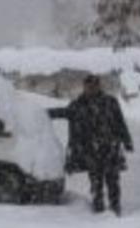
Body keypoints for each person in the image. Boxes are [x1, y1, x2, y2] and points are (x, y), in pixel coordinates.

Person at [49, 75, 133, 215]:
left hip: (110, 148)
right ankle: (98, 209)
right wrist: (41, 113)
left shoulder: (110, 102)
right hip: (91, 152)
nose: (91, 88)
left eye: (94, 85)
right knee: (96, 183)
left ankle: (115, 208)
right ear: (85, 87)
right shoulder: (78, 105)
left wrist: (127, 141)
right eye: (89, 86)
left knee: (113, 181)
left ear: (99, 86)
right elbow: (61, 112)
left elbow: (120, 122)